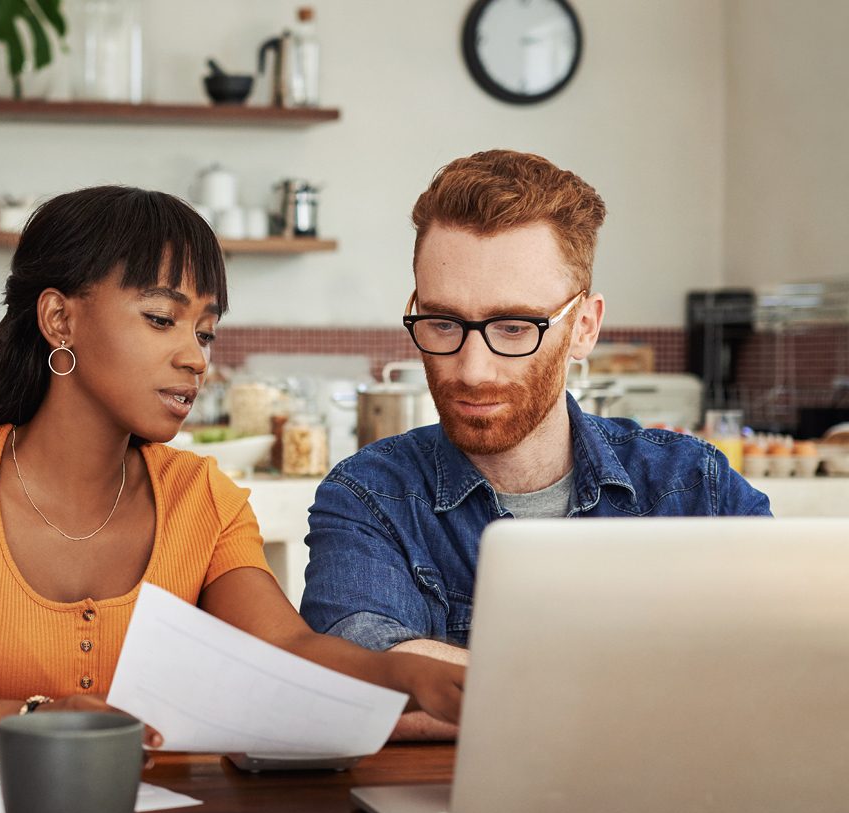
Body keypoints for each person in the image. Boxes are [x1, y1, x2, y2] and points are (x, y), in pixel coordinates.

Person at [0, 185, 464, 768]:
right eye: (161, 319)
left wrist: (402, 673)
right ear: (58, 318)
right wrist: (33, 724)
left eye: (205, 331)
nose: (195, 358)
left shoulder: (205, 499)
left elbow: (286, 651)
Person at [299, 150, 770, 740]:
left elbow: (778, 664)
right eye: (443, 323)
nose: (472, 369)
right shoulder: (369, 495)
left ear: (585, 328)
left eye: (515, 327)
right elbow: (362, 681)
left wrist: (481, 687)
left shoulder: (693, 484)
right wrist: (655, 693)